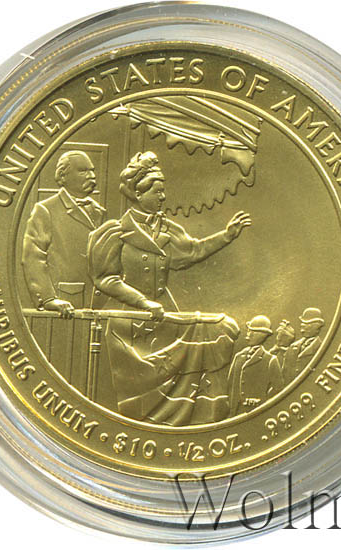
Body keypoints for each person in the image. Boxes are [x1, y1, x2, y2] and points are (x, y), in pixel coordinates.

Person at [87, 151, 251, 426]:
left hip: (164, 315)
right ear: (139, 193)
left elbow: (192, 252)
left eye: (163, 191)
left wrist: (226, 236)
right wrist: (143, 302)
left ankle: (176, 425)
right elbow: (105, 279)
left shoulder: (168, 229)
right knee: (138, 389)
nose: (163, 197)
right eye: (157, 191)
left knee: (183, 370)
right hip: (129, 321)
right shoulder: (114, 232)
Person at [22, 150, 105, 317]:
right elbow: (33, 257)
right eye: (83, 171)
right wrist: (48, 299)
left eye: (92, 171)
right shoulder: (46, 209)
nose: (92, 176)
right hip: (66, 304)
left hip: (98, 304)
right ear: (63, 176)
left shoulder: (99, 211)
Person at [228, 315, 284, 416]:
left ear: (261, 335)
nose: (248, 335)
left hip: (259, 412)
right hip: (236, 412)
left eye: (252, 332)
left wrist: (263, 402)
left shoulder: (270, 360)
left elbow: (278, 388)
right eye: (248, 331)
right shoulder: (239, 356)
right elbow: (231, 384)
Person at [285, 307, 325, 378]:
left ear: (317, 327)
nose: (302, 330)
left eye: (307, 325)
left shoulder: (322, 348)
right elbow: (284, 373)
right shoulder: (292, 346)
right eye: (302, 325)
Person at [268, 320, 296, 384]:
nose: (278, 339)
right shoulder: (273, 352)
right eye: (278, 336)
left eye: (281, 336)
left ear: (288, 338)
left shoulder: (292, 354)